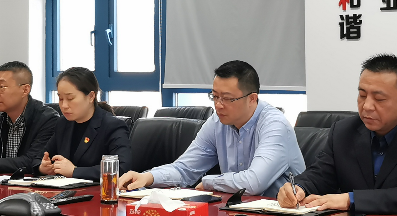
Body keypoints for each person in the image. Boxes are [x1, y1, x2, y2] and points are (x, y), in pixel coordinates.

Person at [277, 54, 397, 214]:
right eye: (362, 95)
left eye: (379, 99)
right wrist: (299, 188)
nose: (366, 106)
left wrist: (350, 200)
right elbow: (321, 174)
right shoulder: (343, 131)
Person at [118, 60, 304, 197]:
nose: (218, 105)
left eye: (227, 98)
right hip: (235, 213)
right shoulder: (217, 122)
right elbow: (185, 169)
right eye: (214, 96)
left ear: (252, 99)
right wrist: (148, 177)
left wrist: (208, 182)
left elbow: (254, 182)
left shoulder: (274, 125)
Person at [39, 67, 130, 181]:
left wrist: (75, 171)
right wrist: (43, 167)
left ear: (91, 96)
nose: (64, 105)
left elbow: (121, 168)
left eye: (70, 98)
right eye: (61, 99)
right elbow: (41, 156)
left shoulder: (112, 126)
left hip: (98, 190)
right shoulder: (63, 123)